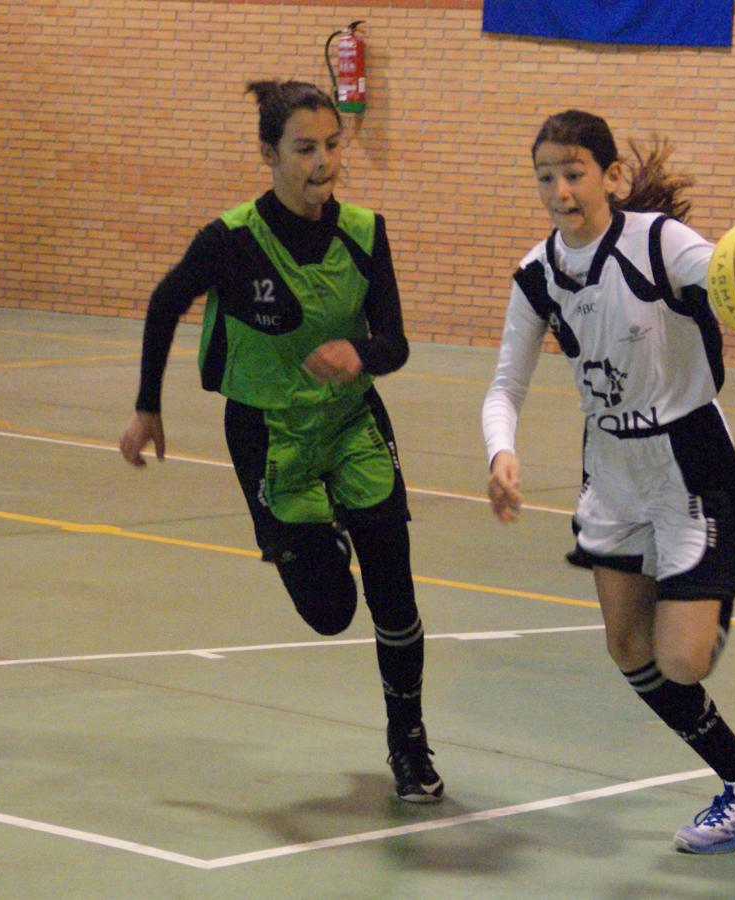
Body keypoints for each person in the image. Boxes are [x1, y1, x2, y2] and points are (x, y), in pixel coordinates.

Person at [482, 110, 735, 853]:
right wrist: (499, 453)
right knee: (628, 649)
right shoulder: (538, 273)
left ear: (611, 176)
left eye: (574, 173)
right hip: (610, 470)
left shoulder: (660, 243)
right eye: (546, 177)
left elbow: (733, 275)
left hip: (690, 462)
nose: (559, 191)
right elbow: (505, 384)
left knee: (682, 660)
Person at [119, 79, 443, 804]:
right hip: (268, 435)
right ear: (269, 154)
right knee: (330, 613)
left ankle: (409, 741)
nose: (322, 161)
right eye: (304, 148)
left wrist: (360, 353)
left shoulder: (364, 232)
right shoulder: (232, 240)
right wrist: (147, 407)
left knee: (394, 595)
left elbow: (394, 342)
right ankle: (319, 539)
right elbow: (165, 301)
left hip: (351, 423)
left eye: (332, 145)